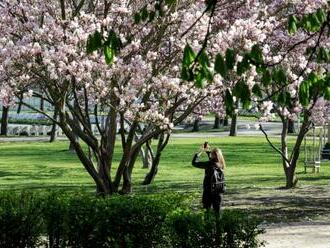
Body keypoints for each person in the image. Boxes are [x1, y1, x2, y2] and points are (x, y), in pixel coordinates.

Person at [192, 143, 226, 214]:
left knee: (206, 212)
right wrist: (208, 152)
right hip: (218, 191)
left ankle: (208, 225)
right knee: (217, 213)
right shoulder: (221, 164)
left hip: (208, 191)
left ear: (213, 155)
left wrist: (200, 151)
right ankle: (218, 225)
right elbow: (213, 160)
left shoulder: (209, 164)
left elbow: (194, 163)